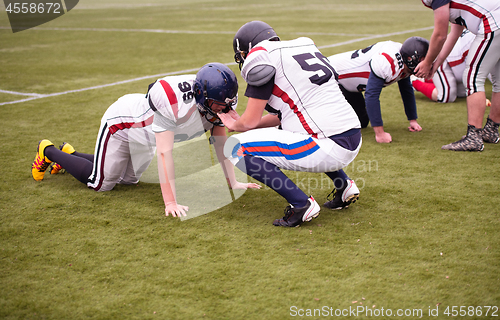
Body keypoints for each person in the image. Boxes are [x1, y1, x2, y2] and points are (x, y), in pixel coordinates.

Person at [31, 63, 260, 217]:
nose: (226, 107)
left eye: (228, 102)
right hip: (122, 126)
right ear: (200, 95)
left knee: (128, 180)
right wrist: (170, 202)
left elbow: (220, 144)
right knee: (101, 183)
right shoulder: (174, 102)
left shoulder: (220, 99)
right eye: (220, 104)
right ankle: (49, 151)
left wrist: (233, 182)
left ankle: (70, 155)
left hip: (147, 139)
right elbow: (165, 153)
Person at [218, 20, 362, 228]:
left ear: (249, 49)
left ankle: (301, 204)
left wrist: (235, 123)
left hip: (327, 146)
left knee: (234, 147)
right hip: (352, 136)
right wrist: (245, 124)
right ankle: (344, 185)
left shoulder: (261, 58)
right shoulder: (300, 47)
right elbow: (281, 118)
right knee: (293, 127)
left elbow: (249, 121)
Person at [415, 0, 500, 151]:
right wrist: (436, 63)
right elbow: (454, 33)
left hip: (493, 22)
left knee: (473, 78)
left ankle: (473, 138)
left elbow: (440, 34)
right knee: (498, 81)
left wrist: (427, 62)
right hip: (496, 18)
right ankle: (491, 130)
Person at [327, 36, 429, 143]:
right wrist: (380, 133)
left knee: (361, 121)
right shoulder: (387, 62)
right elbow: (371, 95)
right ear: (410, 59)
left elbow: (406, 89)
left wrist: (412, 120)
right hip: (331, 79)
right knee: (332, 126)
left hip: (349, 86)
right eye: (423, 60)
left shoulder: (403, 58)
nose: (426, 64)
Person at [412, 29, 492, 106]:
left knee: (463, 93)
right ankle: (414, 81)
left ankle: (427, 79)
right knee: (446, 96)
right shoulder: (487, 37)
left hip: (462, 67)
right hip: (445, 59)